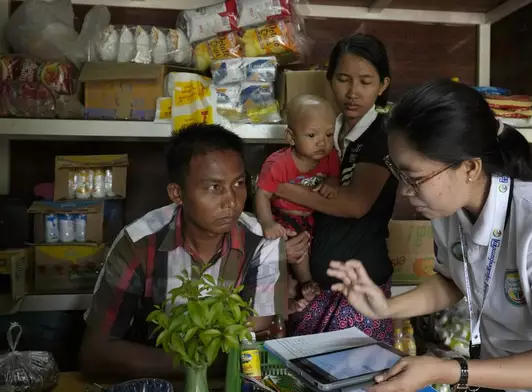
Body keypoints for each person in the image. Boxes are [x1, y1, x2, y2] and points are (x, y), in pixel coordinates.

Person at [327, 80, 532, 392]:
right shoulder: (448, 205)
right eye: (399, 173)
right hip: (510, 376)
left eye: (414, 178)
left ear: (470, 167)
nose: (405, 191)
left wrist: (447, 371)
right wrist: (387, 308)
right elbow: (454, 281)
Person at [79, 124, 294, 380]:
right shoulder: (139, 242)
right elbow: (95, 354)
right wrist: (200, 364)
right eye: (214, 187)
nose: (232, 201)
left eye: (238, 183)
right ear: (177, 193)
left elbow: (262, 343)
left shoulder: (263, 243)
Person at [273, 34, 398, 344]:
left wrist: (279, 187)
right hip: (312, 291)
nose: (353, 92)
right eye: (343, 79)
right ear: (329, 79)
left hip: (361, 290)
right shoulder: (324, 132)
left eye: (366, 82)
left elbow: (354, 204)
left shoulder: (382, 136)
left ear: (382, 85)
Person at [255, 94, 339, 312]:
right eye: (312, 135)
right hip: (282, 216)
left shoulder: (330, 158)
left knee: (315, 245)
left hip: (310, 216)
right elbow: (262, 194)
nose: (323, 142)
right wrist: (267, 223)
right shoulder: (278, 164)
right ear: (291, 137)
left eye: (329, 134)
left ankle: (296, 290)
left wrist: (331, 182)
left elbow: (334, 176)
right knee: (296, 244)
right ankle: (306, 284)